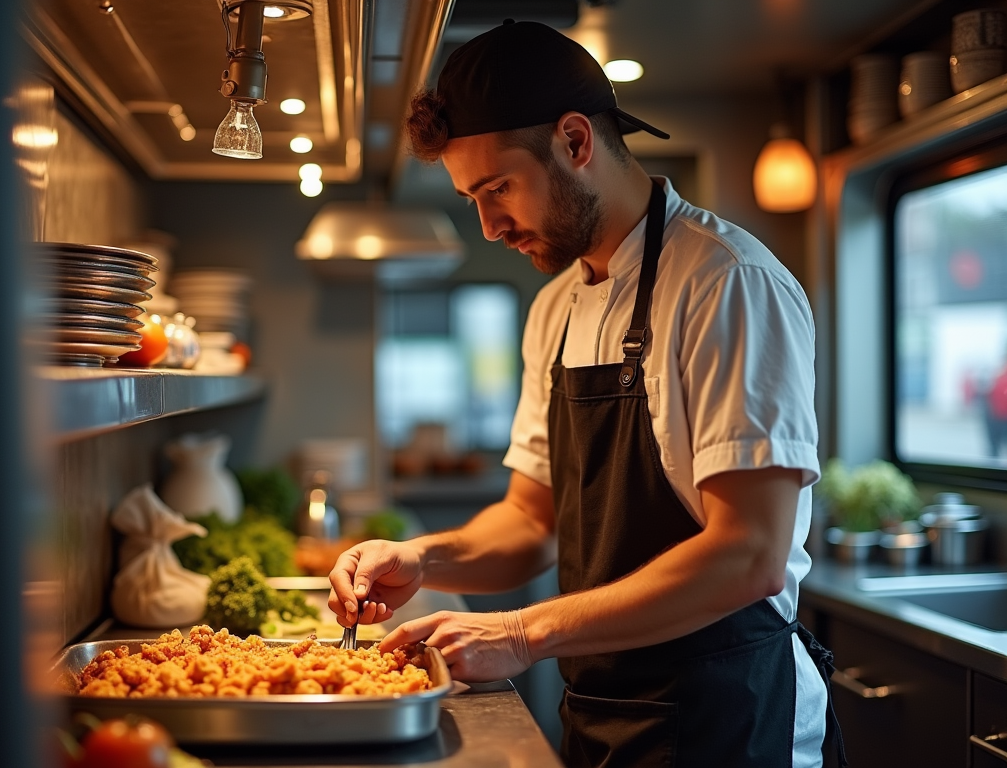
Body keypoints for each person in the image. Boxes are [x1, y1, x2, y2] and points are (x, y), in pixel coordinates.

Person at [329, 19, 843, 768]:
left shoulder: (728, 284)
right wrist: (421, 557)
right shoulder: (558, 307)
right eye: (473, 197)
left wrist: (520, 633)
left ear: (575, 142)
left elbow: (751, 554)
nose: (490, 226)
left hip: (729, 717)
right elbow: (528, 521)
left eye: (498, 187)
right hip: (601, 710)